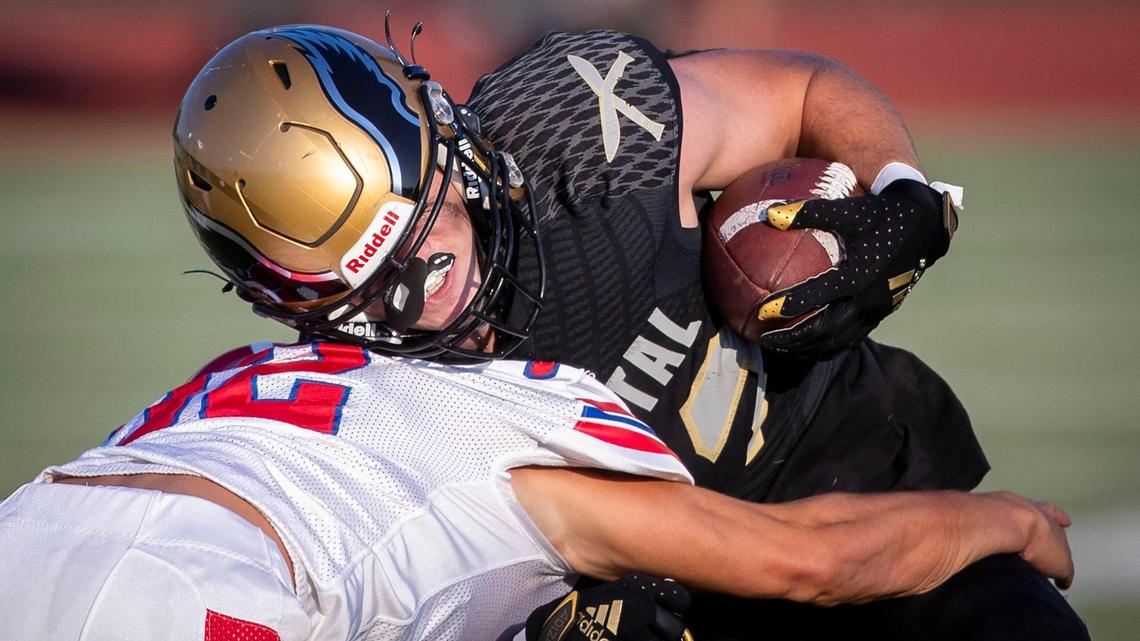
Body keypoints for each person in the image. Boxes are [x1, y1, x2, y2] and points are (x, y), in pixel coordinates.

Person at [167, 23, 1086, 639]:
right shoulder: (357, 417)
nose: (435, 293)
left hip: (848, 477)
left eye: (430, 224)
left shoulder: (569, 131)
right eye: (377, 292)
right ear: (290, 310)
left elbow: (802, 89)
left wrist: (897, 191)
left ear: (447, 133)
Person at [0, 340, 1073, 640]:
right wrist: (1006, 516)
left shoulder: (254, 373)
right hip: (214, 595)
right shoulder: (529, 441)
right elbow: (808, 556)